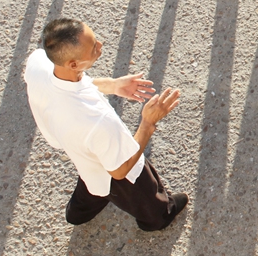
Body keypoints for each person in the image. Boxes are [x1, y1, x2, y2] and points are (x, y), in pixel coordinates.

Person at [24, 18, 188, 230]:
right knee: (146, 200)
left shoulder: (39, 63)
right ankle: (159, 217)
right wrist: (148, 123)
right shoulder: (98, 122)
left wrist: (114, 85)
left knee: (92, 180)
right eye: (93, 47)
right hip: (116, 172)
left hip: (83, 154)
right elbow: (120, 170)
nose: (100, 45)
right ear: (73, 64)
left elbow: (77, 85)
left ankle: (77, 215)